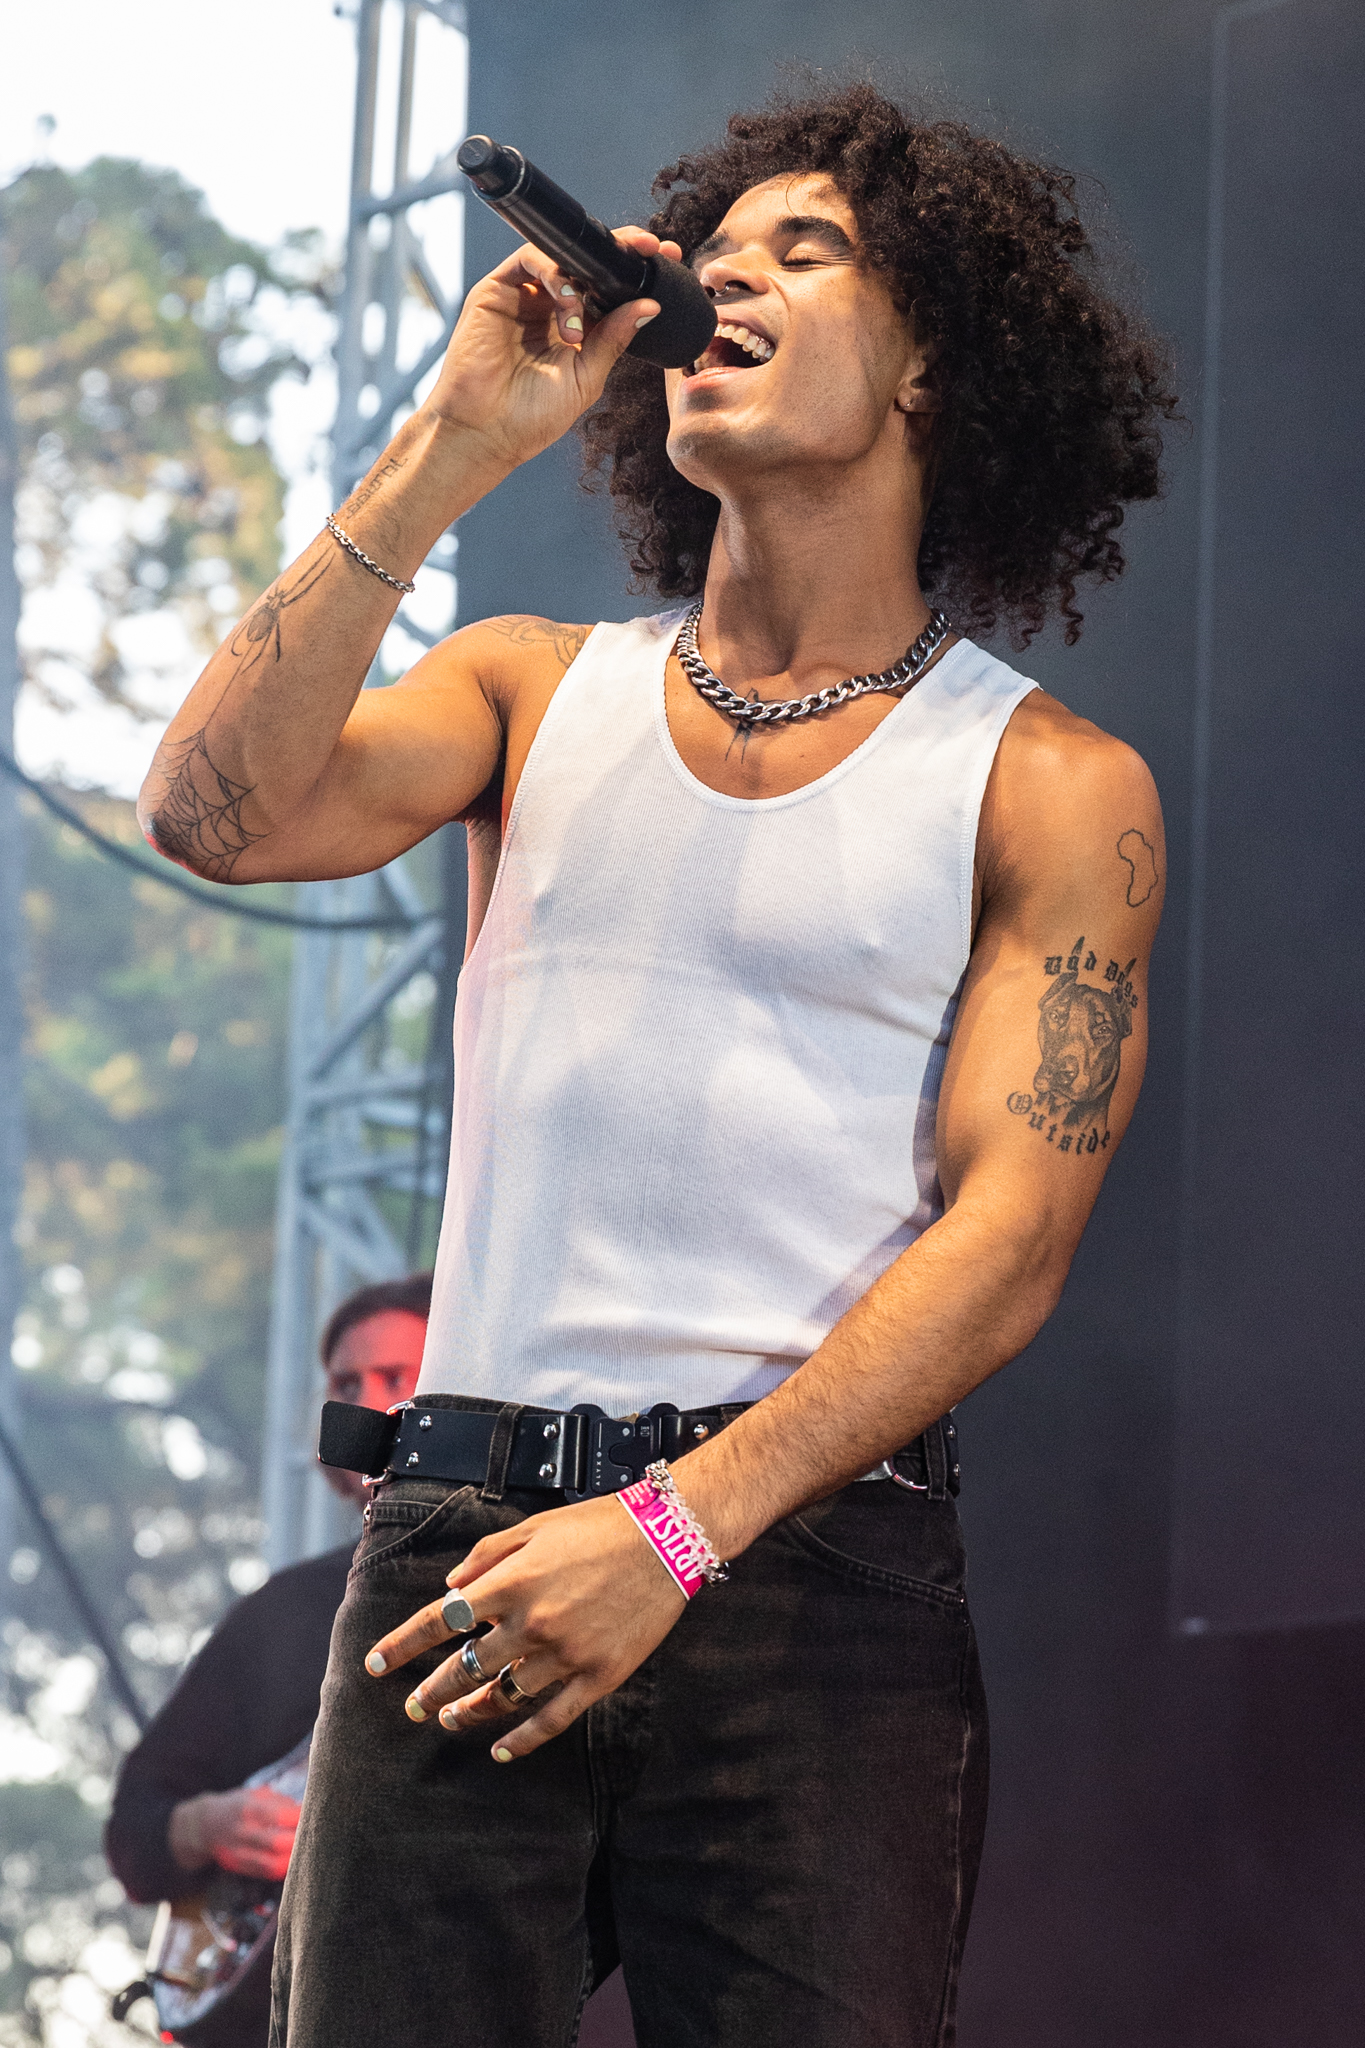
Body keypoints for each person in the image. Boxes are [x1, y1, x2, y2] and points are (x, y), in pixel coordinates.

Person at [137, 80, 1174, 2048]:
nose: (725, 280)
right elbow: (211, 812)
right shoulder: (529, 688)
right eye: (715, 253)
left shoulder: (1046, 780)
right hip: (465, 1540)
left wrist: (676, 1526)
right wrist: (449, 445)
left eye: (807, 251)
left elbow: (1009, 1241)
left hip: (806, 1569)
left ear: (929, 363)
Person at [104, 1277, 430, 2038]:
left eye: (396, 1378)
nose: (367, 1405)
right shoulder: (282, 1611)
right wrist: (206, 1826)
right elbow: (134, 1824)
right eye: (345, 1385)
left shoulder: (541, 1582)